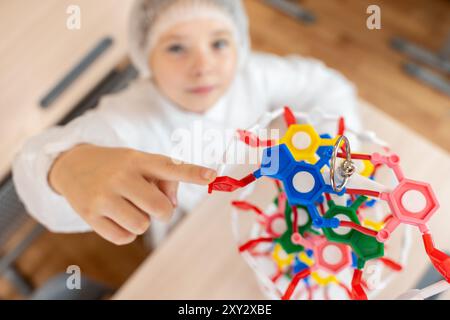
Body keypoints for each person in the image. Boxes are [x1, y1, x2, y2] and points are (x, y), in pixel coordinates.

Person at [12, 0, 362, 246]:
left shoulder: (251, 75)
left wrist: (333, 151)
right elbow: (34, 163)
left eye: (219, 43)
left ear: (239, 44)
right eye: (177, 48)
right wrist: (64, 167)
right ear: (144, 57)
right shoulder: (127, 118)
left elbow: (327, 87)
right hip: (194, 236)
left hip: (277, 205)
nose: (203, 65)